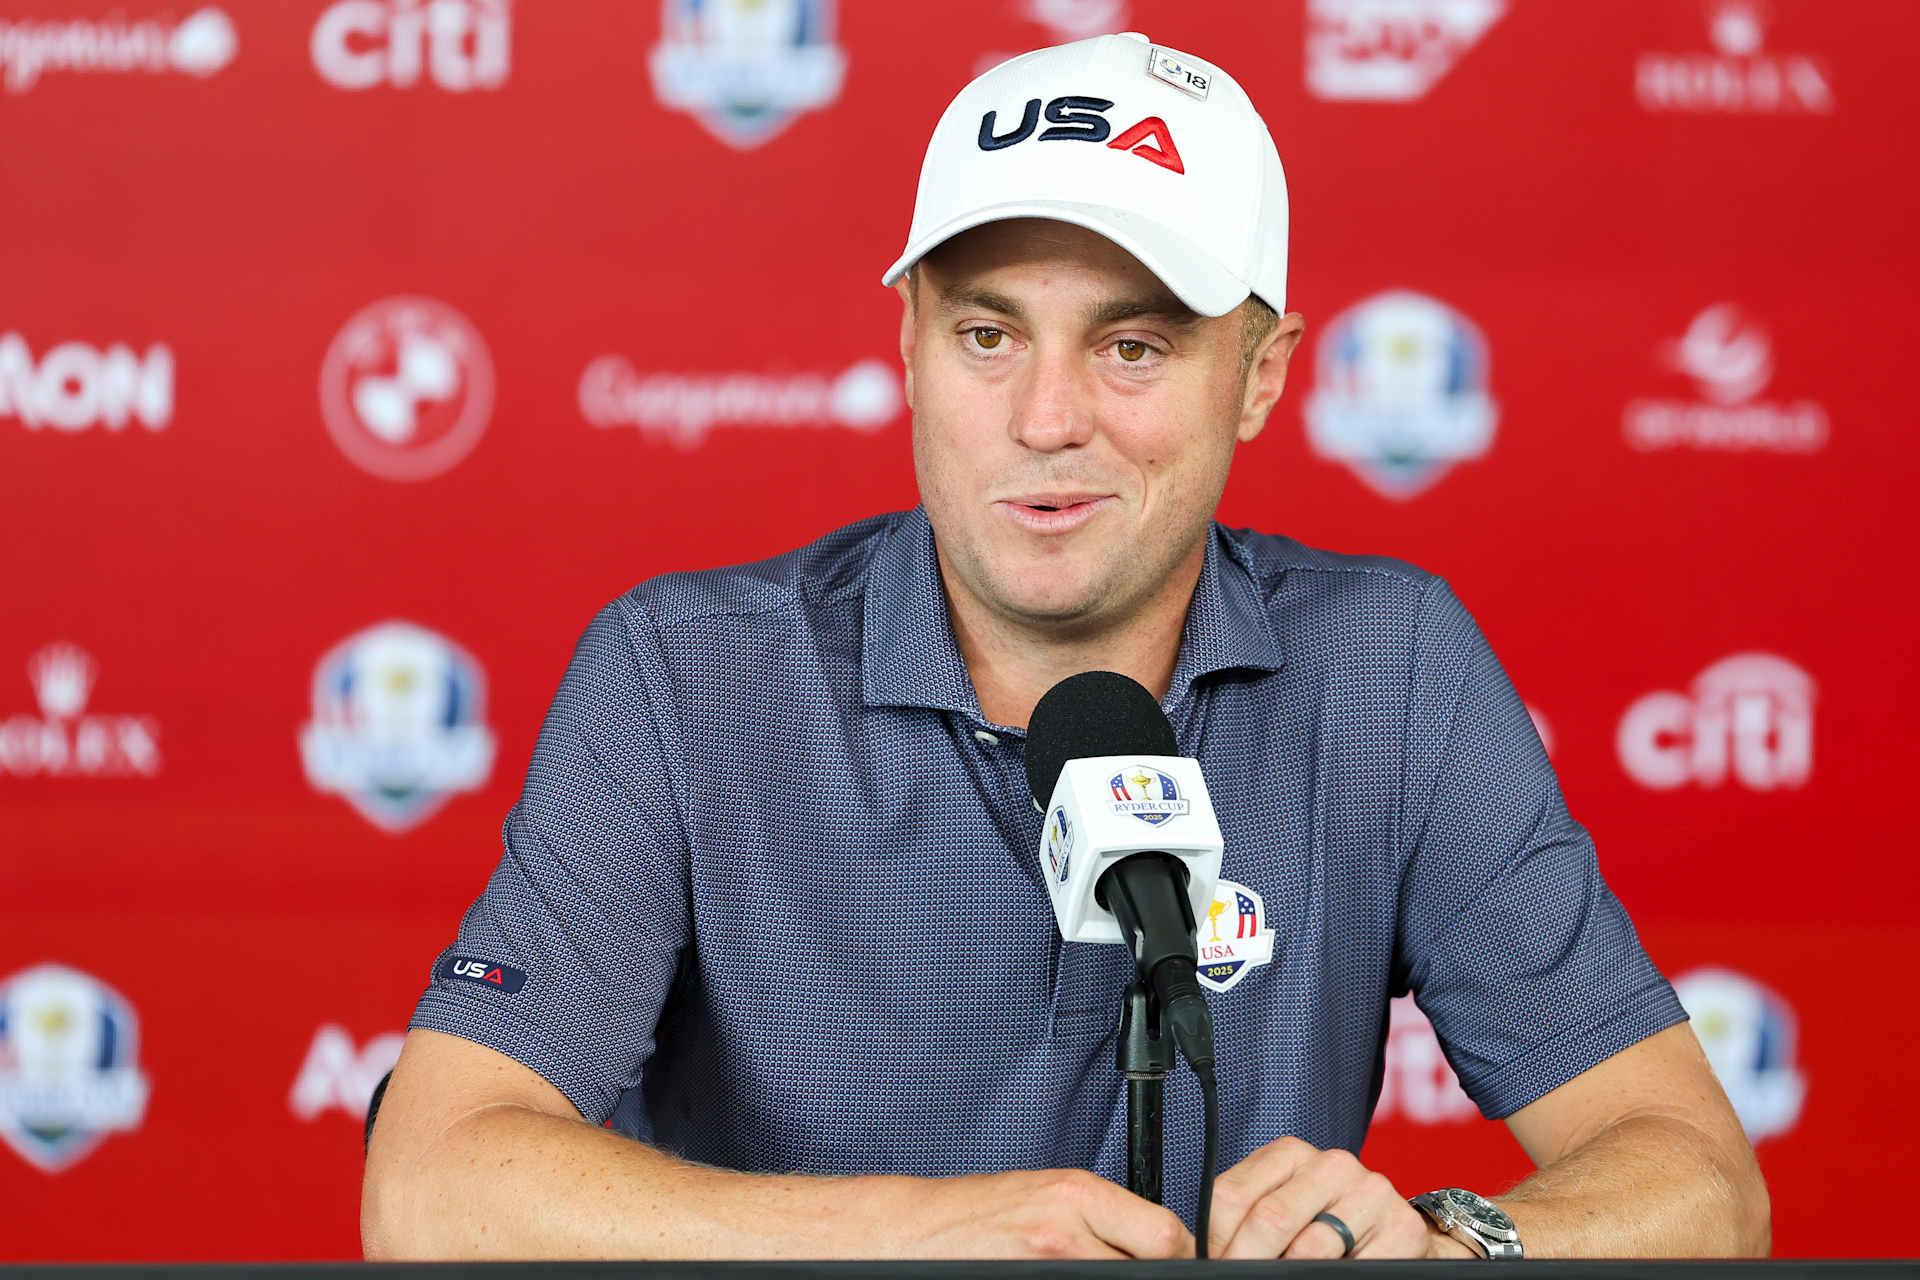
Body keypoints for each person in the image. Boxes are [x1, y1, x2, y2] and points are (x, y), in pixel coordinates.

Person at [361, 33, 1768, 1260]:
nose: (1046, 420)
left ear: (1263, 373)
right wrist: (915, 1234)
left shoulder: (1390, 669)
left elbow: (1698, 1178)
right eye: (986, 335)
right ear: (907, 343)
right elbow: (432, 1187)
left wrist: (1449, 1246)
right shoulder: (685, 676)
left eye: (1132, 348)